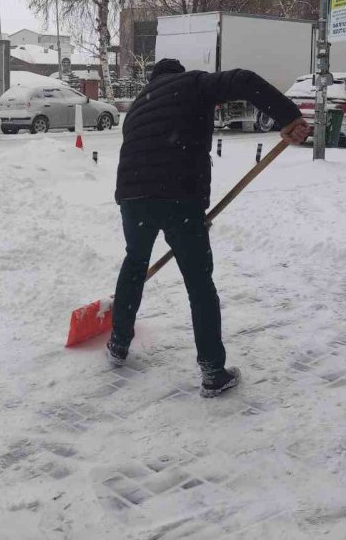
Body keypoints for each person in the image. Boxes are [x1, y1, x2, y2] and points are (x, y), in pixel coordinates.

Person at [108, 59, 311, 398]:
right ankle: (213, 371)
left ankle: (117, 343)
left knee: (134, 263)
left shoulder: (140, 103)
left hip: (133, 197)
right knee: (199, 282)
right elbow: (244, 78)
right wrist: (289, 116)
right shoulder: (193, 83)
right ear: (178, 73)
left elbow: (144, 151)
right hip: (177, 195)